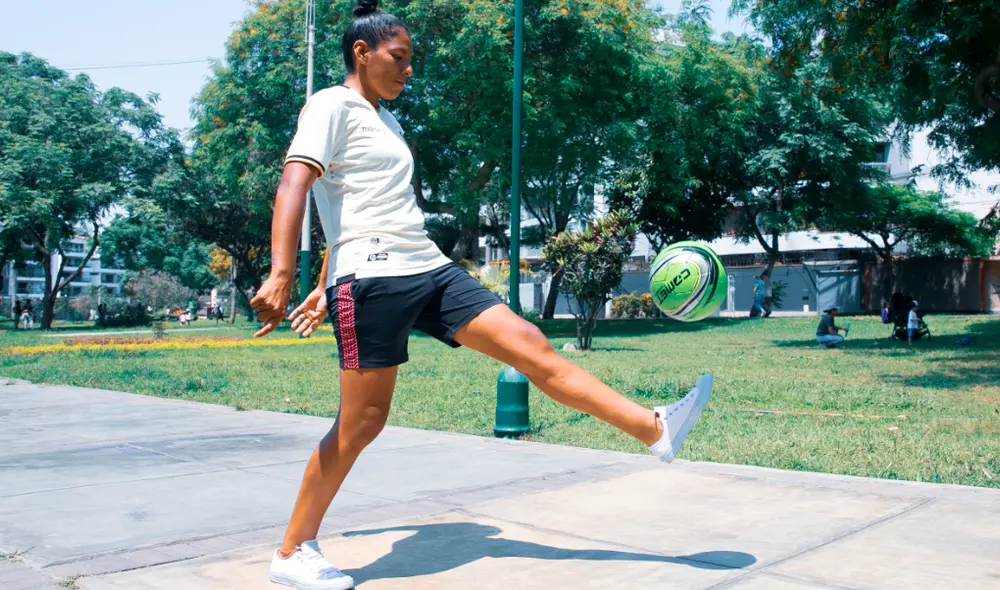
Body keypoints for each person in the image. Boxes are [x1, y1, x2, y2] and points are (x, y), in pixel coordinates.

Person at [250, 3, 713, 588]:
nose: (408, 70)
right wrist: (284, 272)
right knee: (362, 421)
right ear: (361, 54)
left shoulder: (385, 121)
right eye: (399, 57)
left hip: (426, 265)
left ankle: (655, 429)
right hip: (371, 278)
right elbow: (296, 184)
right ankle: (292, 551)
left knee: (529, 343)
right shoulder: (330, 104)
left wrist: (320, 284)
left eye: (411, 60)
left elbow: (344, 207)